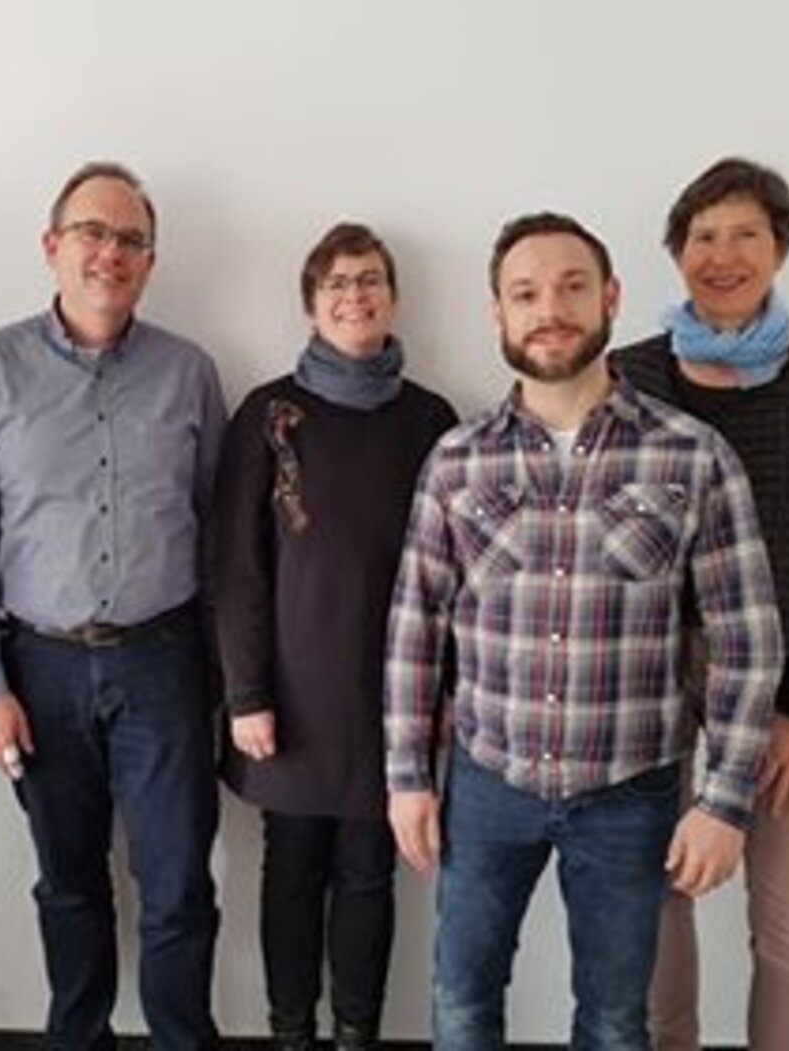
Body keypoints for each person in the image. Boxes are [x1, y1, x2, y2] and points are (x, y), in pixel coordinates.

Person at [384, 212, 785, 1050]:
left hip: (630, 790)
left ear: (610, 297)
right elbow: (415, 626)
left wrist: (725, 801)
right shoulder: (456, 460)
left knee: (611, 1018)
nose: (550, 310)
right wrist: (407, 775)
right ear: (498, 313)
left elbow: (746, 641)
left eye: (572, 287)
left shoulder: (693, 455)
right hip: (487, 782)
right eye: (525, 293)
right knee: (461, 1001)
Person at [0, 161, 226, 1050]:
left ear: (150, 261)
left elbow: (214, 526)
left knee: (179, 884)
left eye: (131, 239)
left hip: (165, 662)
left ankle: (183, 1038)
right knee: (67, 882)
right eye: (92, 233)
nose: (111, 253)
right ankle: (78, 1036)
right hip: (40, 668)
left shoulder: (188, 372)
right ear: (51, 245)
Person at [612, 158, 789, 1051]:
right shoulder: (628, 372)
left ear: (781, 247)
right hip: (649, 677)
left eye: (745, 235)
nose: (722, 256)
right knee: (657, 902)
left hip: (780, 681)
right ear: (676, 252)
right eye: (703, 236)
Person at [214, 223, 457, 1051]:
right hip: (286, 693)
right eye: (337, 284)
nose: (355, 295)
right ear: (312, 305)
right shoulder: (267, 415)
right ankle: (290, 1034)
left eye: (370, 280)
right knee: (290, 870)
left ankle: (357, 1033)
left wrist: (449, 689)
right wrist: (245, 691)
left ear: (393, 296)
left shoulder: (431, 419)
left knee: (368, 873)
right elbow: (236, 565)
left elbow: (459, 572)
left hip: (393, 694)